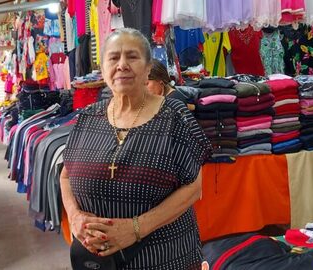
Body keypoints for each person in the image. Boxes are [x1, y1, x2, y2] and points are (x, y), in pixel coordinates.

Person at [61, 28, 212, 269]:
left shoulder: (175, 118)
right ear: (103, 68)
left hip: (164, 258)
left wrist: (135, 229)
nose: (122, 65)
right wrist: (74, 216)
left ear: (148, 67)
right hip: (98, 260)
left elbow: (194, 188)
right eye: (113, 58)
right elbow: (66, 174)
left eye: (132, 57)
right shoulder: (87, 119)